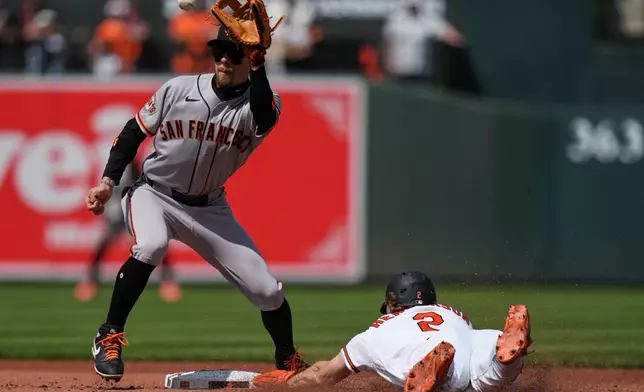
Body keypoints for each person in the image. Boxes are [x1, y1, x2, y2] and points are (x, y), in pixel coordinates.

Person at [85, 25, 307, 382]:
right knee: (151, 245)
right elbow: (132, 132)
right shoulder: (179, 88)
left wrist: (258, 65)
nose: (222, 58)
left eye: (232, 53)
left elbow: (264, 117)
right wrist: (108, 181)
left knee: (267, 289)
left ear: (249, 59)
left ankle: (288, 359)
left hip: (210, 208)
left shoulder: (260, 104)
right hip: (154, 193)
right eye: (218, 50)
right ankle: (109, 334)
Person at [253, 271, 533, 392]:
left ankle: (437, 371)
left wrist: (287, 385)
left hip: (423, 355)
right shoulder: (450, 311)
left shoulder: (373, 334)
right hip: (473, 340)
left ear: (393, 302)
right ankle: (504, 354)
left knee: (456, 378)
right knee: (493, 371)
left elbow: (322, 375)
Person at [75, 163, 182, 303]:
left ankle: (167, 280)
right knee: (104, 242)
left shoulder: (137, 167)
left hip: (133, 210)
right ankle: (91, 280)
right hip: (115, 211)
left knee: (155, 241)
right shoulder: (112, 166)